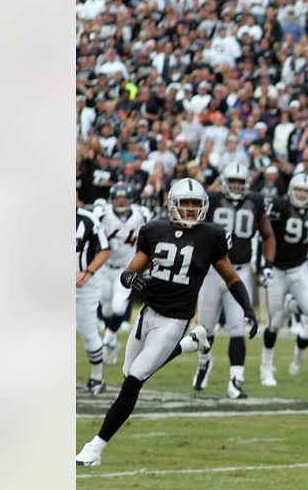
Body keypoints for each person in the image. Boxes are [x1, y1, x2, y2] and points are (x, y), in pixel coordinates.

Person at [76, 178, 258, 466]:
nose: (189, 210)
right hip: (147, 313)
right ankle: (191, 344)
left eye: (194, 205)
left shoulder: (212, 236)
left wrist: (248, 309)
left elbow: (232, 277)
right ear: (172, 204)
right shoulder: (153, 230)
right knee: (129, 373)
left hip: (175, 318)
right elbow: (129, 271)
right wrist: (131, 279)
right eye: (184, 204)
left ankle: (95, 447)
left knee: (134, 380)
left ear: (204, 207)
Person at [192, 162, 275, 398]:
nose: (237, 186)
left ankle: (236, 381)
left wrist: (267, 265)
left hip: (240, 271)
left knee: (237, 327)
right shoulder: (212, 200)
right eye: (233, 182)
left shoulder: (256, 202)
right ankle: (204, 362)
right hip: (212, 272)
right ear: (225, 182)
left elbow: (268, 235)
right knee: (205, 327)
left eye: (240, 182)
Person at [259, 172, 308, 386]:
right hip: (277, 269)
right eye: (298, 189)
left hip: (299, 268)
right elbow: (264, 232)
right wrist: (266, 265)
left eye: (306, 191)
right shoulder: (278, 207)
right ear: (290, 190)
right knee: (274, 323)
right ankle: (266, 366)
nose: (301, 194)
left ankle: (291, 304)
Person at [94, 184, 154, 365]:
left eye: (124, 197)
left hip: (125, 269)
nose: (121, 201)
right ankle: (111, 341)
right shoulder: (102, 214)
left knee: (119, 307)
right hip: (104, 268)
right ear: (112, 199)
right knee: (106, 309)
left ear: (130, 199)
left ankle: (109, 340)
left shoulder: (141, 215)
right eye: (117, 198)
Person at [76, 204, 112, 394]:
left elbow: (105, 250)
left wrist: (88, 272)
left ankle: (97, 378)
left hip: (83, 286)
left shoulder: (88, 219)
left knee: (88, 331)